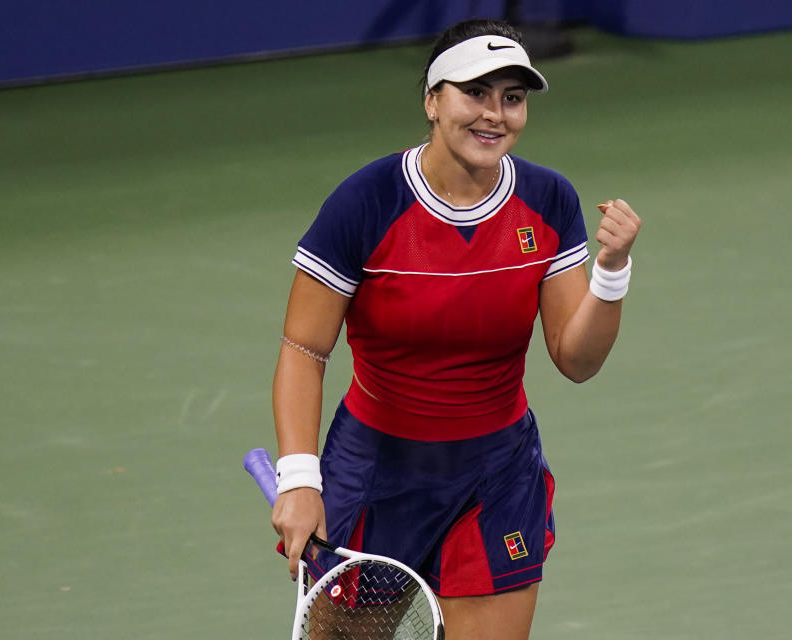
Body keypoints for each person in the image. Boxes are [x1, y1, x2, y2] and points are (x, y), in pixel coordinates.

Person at [270, 18, 641, 640]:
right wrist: (301, 479)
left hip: (495, 477)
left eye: (513, 98)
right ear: (432, 100)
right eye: (476, 93)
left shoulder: (548, 202)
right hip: (376, 471)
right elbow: (303, 349)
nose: (495, 114)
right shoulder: (366, 202)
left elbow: (576, 360)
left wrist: (609, 273)